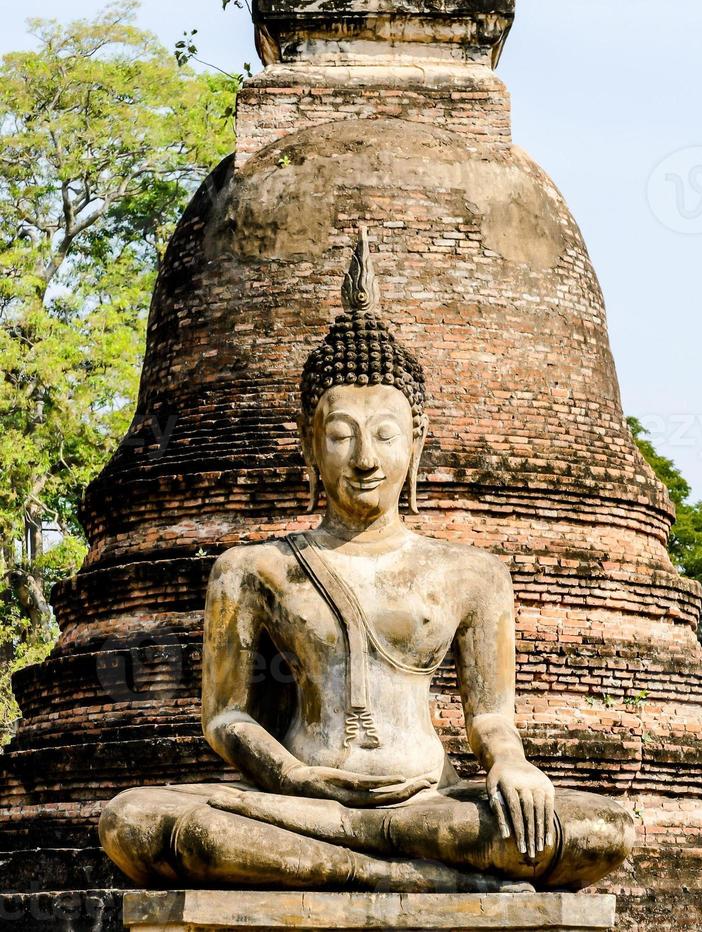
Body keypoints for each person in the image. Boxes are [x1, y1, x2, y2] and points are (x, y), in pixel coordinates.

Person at [99, 230, 633, 891]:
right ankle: (414, 875)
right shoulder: (252, 569)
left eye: (384, 435)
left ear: (417, 439)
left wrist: (511, 764)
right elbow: (226, 717)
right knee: (135, 820)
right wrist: (295, 779)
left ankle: (360, 852)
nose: (364, 459)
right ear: (307, 442)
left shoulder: (472, 575)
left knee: (598, 829)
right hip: (299, 800)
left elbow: (489, 716)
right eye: (341, 434)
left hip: (424, 800)